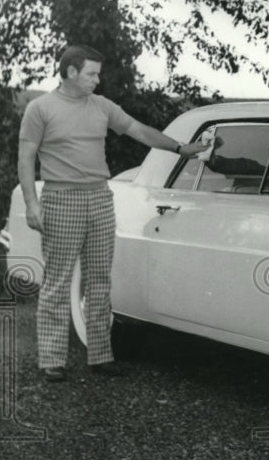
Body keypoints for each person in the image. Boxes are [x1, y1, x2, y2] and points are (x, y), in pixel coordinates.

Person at [18, 44, 208, 382]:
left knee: (100, 280)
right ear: (71, 72)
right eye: (91, 73)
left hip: (101, 199)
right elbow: (25, 158)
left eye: (98, 73)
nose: (97, 79)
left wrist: (180, 148)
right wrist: (33, 204)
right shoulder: (40, 109)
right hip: (61, 200)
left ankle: (100, 356)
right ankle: (52, 361)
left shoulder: (102, 106)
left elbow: (139, 130)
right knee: (58, 282)